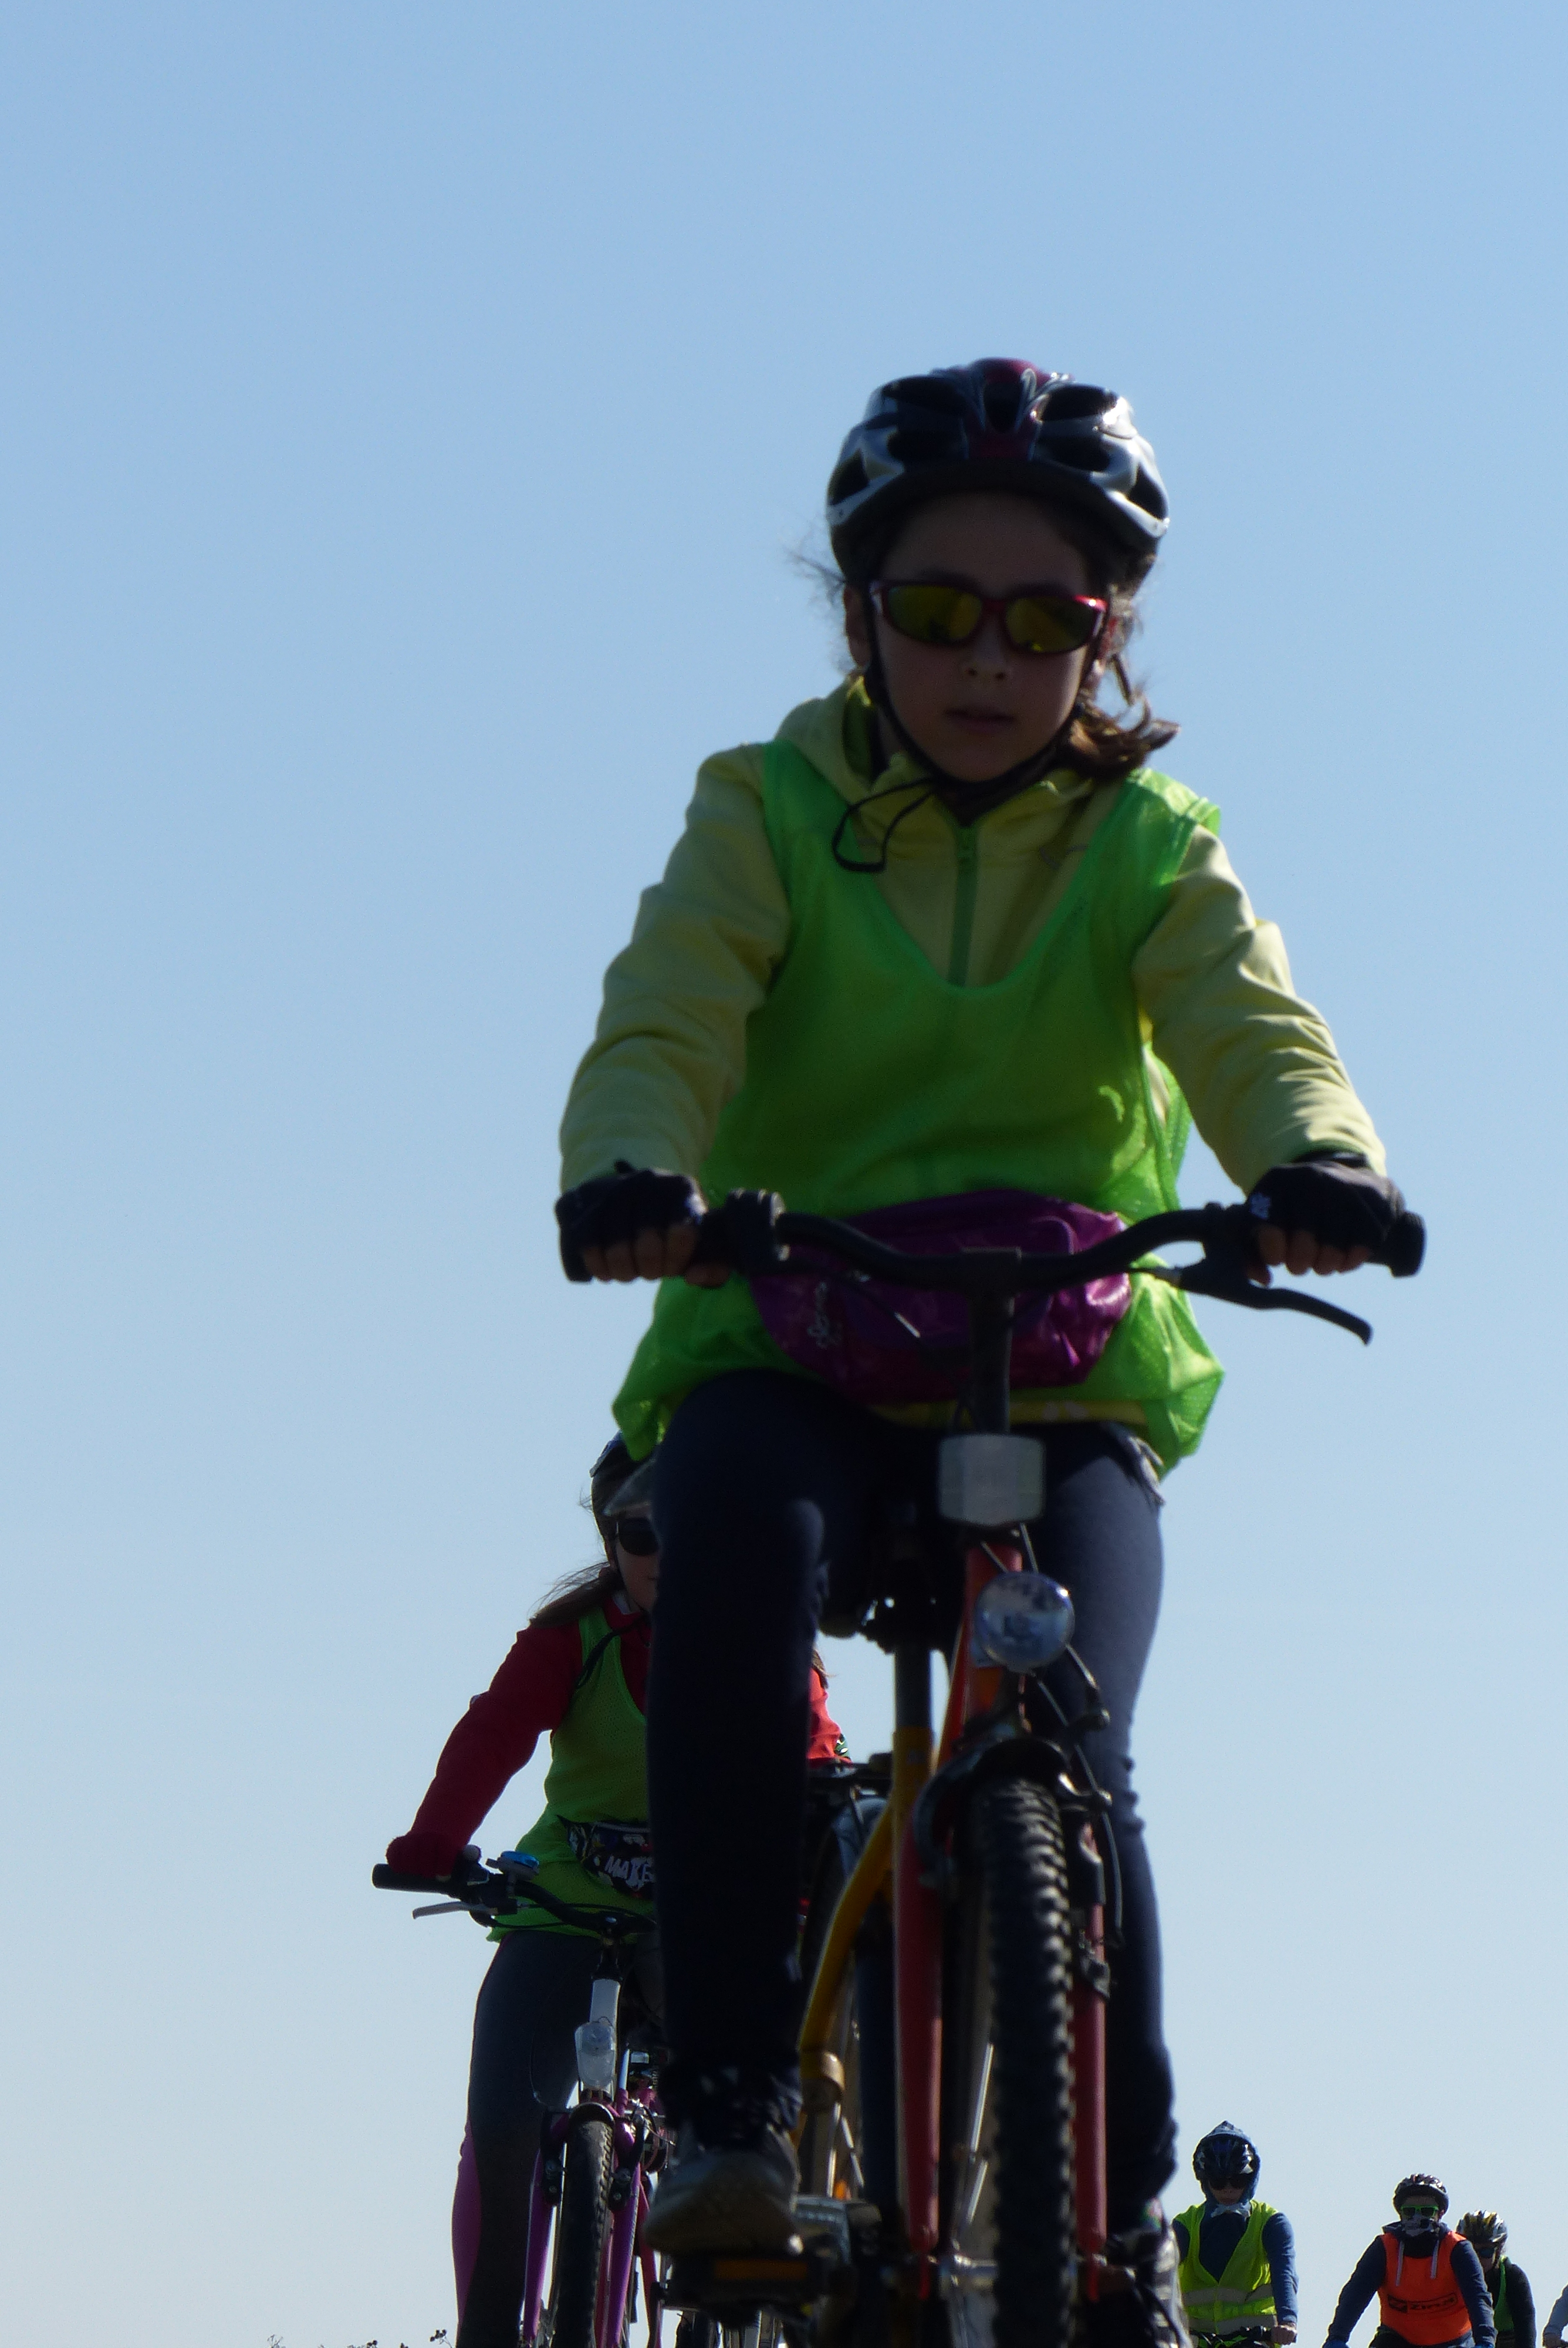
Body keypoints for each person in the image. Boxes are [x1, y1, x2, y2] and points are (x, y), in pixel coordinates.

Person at [555, 357, 1412, 2330]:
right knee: (735, 1570)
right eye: (939, 608)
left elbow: (1251, 1025)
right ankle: (730, 2114)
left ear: (1107, 636)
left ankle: (1112, 2224)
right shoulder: (767, 808)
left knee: (1080, 1745)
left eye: (1048, 619)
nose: (989, 659)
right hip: (793, 1334)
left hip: (1060, 1358)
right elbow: (670, 1010)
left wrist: (1318, 1161)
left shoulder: (1148, 838)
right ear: (858, 610)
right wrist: (630, 1168)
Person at [382, 1433, 850, 2348]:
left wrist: (801, 1869)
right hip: (565, 1904)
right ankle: (490, 2331)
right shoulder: (574, 1638)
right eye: (640, 1535)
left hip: (701, 1916)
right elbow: (495, 1732)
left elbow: (812, 1756)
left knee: (743, 2103)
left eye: (689, 1530)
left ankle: (750, 2281)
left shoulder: (763, 1637)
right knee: (502, 2120)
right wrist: (436, 1839)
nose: (664, 1555)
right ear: (610, 1541)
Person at [1323, 2175, 1495, 2348]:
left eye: (1427, 2211)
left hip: (1454, 2342)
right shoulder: (1384, 2248)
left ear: (1440, 2213)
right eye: (1410, 2212)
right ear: (1400, 2214)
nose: (1417, 2217)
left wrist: (1485, 2341)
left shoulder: (1458, 2249)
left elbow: (1478, 2297)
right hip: (1397, 2339)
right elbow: (1355, 2294)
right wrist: (1337, 2337)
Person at [1174, 2124, 1297, 2342]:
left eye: (1238, 2181)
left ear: (1251, 2178)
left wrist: (1288, 2321)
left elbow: (1284, 2274)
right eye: (1219, 2182)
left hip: (1254, 2342)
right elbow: (1159, 2270)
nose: (1228, 2189)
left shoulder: (1272, 2223)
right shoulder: (1185, 2225)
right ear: (1205, 2181)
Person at [1458, 2215, 1535, 2348]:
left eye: (1485, 2252)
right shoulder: (1451, 2275)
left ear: (1499, 2250)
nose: (1477, 2259)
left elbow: (1526, 2330)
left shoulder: (1513, 2277)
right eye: (1471, 2251)